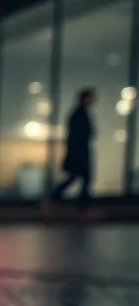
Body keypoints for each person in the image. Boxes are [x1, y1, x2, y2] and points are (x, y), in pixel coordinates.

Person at [44, 88, 96, 217]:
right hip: (80, 153)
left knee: (81, 179)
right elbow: (77, 136)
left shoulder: (80, 113)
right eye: (91, 97)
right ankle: (53, 199)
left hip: (80, 152)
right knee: (77, 178)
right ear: (85, 98)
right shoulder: (79, 114)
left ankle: (81, 207)